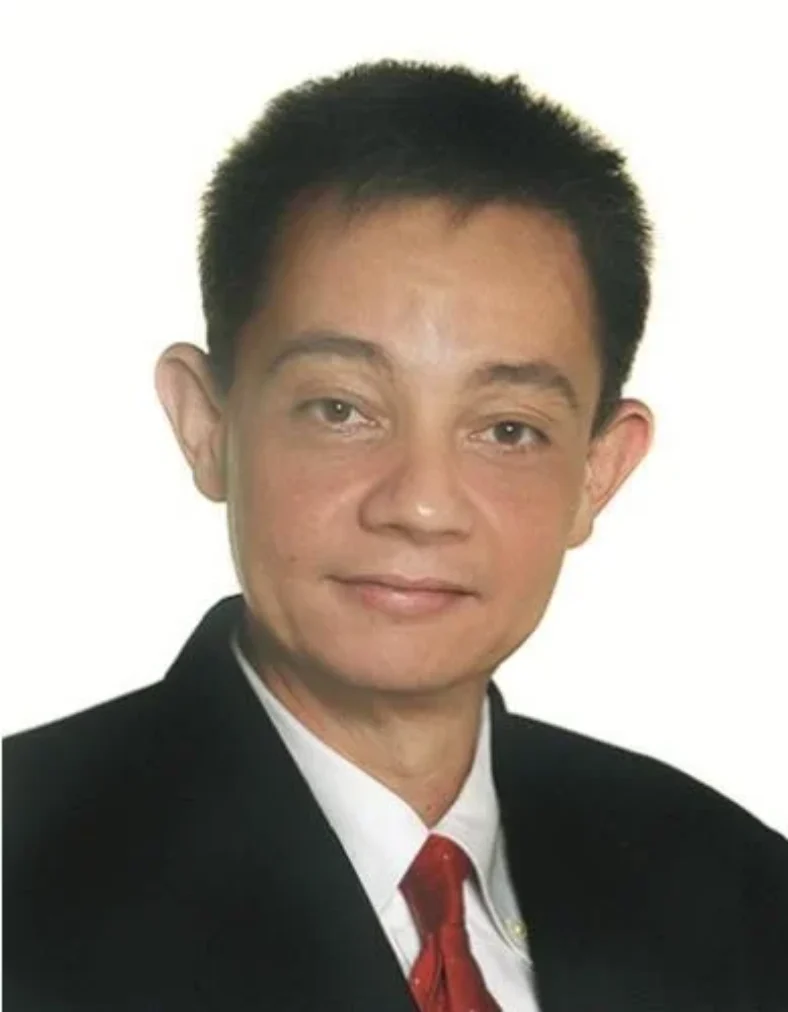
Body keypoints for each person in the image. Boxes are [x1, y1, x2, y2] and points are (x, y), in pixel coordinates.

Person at [3, 58, 787, 1012]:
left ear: (598, 472)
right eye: (341, 409)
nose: (420, 505)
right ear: (207, 425)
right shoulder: (22, 875)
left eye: (508, 430)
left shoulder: (739, 892)